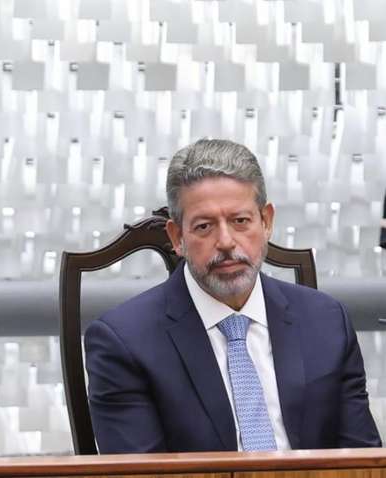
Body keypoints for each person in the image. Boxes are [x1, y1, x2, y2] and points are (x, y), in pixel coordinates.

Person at [85, 139, 381, 453]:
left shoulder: (327, 322)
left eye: (240, 221)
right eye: (204, 226)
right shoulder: (124, 343)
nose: (226, 241)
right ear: (177, 237)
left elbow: (361, 458)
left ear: (266, 222)